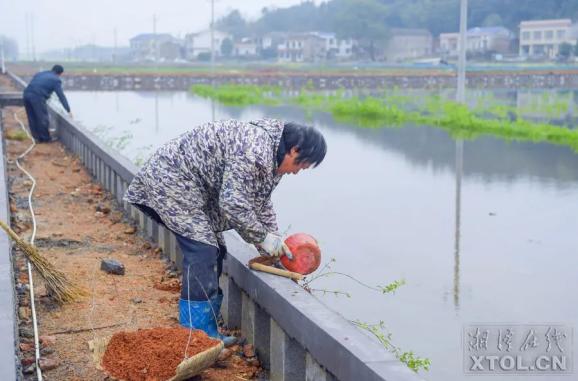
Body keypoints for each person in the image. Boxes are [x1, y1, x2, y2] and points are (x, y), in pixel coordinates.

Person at [124, 119, 326, 343]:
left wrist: (274, 243)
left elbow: (259, 202)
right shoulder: (256, 149)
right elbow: (234, 204)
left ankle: (206, 332)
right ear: (294, 150)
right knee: (203, 252)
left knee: (216, 250)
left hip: (195, 191)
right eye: (301, 166)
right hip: (172, 183)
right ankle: (195, 337)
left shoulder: (272, 156)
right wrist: (262, 237)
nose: (297, 172)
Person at [23, 64, 71, 142]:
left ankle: (36, 138)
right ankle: (45, 139)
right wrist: (68, 110)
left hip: (26, 94)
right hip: (37, 97)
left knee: (32, 117)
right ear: (60, 73)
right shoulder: (56, 80)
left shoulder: (41, 73)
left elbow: (36, 84)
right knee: (42, 118)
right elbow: (61, 95)